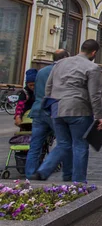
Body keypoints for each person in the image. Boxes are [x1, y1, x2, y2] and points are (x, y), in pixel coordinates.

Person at [32, 39, 102, 183]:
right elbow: (94, 94)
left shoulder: (60, 63)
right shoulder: (92, 67)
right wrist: (99, 116)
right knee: (80, 145)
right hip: (79, 110)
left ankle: (43, 171)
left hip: (56, 108)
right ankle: (78, 182)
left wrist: (48, 106)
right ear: (94, 52)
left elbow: (49, 87)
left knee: (63, 144)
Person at [25, 49, 72, 180]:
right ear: (64, 58)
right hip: (53, 111)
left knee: (35, 146)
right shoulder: (62, 71)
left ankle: (30, 174)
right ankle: (64, 173)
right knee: (65, 141)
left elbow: (35, 92)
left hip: (38, 110)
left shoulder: (41, 72)